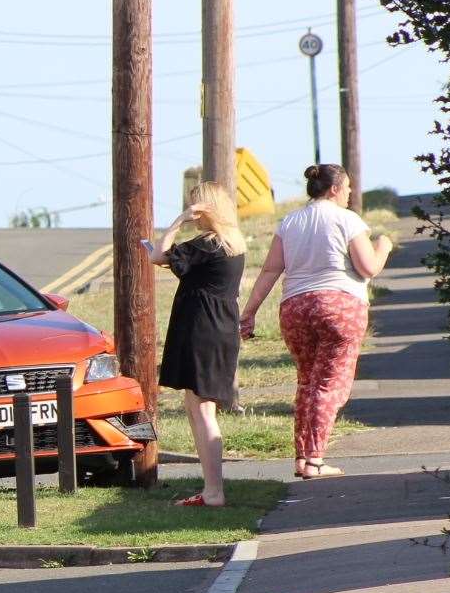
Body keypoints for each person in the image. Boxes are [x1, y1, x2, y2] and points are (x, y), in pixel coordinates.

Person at [238, 162, 394, 479]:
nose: (351, 193)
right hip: (340, 305)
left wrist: (249, 311)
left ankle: (302, 457)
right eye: (348, 187)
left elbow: (270, 270)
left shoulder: (291, 221)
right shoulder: (348, 219)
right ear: (335, 188)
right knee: (328, 386)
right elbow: (368, 268)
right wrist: (384, 246)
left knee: (307, 382)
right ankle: (315, 460)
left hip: (295, 307)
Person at [146, 180, 246, 507]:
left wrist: (178, 221)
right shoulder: (231, 243)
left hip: (202, 327)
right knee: (196, 407)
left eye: (195, 205)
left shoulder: (209, 243)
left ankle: (214, 490)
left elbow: (159, 255)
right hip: (217, 326)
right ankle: (210, 488)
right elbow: (174, 263)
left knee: (202, 410)